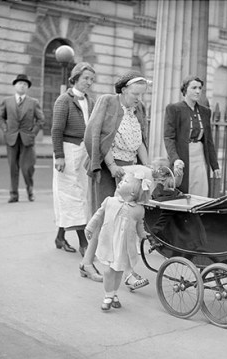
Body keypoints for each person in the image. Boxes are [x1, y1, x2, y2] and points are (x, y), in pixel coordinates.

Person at [83, 70, 151, 289]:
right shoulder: (108, 102)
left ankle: (126, 272)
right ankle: (88, 263)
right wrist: (112, 166)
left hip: (129, 169)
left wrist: (146, 169)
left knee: (125, 221)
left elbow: (140, 141)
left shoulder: (137, 109)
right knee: (105, 218)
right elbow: (100, 136)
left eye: (142, 94)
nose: (139, 99)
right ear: (123, 90)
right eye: (135, 94)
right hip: (109, 166)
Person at [50, 62, 102, 282]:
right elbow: (56, 130)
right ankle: (83, 242)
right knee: (73, 195)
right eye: (85, 78)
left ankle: (60, 237)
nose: (89, 82)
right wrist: (59, 155)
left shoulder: (90, 100)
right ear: (75, 78)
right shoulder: (64, 100)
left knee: (79, 193)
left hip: (83, 151)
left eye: (91, 79)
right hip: (68, 151)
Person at [85, 167, 153, 311]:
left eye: (125, 181)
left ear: (133, 192)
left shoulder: (138, 210)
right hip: (109, 243)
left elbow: (140, 226)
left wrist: (144, 237)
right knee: (109, 271)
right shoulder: (110, 201)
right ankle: (108, 295)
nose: (120, 183)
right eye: (122, 181)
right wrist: (90, 227)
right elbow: (99, 214)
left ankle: (114, 293)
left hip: (124, 247)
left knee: (118, 272)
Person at [164, 76, 221, 197]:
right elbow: (169, 137)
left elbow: (208, 141)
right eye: (194, 87)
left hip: (200, 156)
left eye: (200, 88)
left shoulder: (205, 111)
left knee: (201, 191)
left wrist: (215, 165)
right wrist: (175, 159)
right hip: (183, 155)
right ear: (185, 89)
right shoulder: (173, 109)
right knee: (182, 193)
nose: (198, 91)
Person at [0, 74, 45, 203]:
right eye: (20, 83)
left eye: (25, 84)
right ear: (15, 86)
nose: (22, 86)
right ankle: (13, 194)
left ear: (27, 88)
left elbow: (41, 120)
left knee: (27, 168)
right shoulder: (7, 101)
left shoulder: (33, 102)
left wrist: (33, 133)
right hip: (11, 139)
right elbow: (1, 117)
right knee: (13, 168)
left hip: (27, 139)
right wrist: (5, 129)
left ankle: (30, 191)